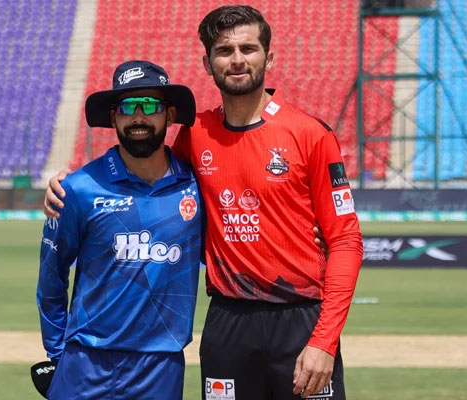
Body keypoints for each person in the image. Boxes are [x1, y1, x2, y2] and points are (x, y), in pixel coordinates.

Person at [44, 6, 363, 399]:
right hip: (227, 322)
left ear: (269, 57)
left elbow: (346, 242)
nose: (237, 59)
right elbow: (145, 171)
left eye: (248, 48)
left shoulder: (311, 134)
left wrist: (325, 341)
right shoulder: (196, 136)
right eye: (224, 50)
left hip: (301, 320)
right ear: (207, 63)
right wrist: (71, 184)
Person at [37, 60, 204, 400]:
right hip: (85, 364)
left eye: (150, 106)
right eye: (128, 107)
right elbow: (51, 277)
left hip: (160, 368)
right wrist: (57, 354)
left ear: (170, 115)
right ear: (114, 117)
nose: (139, 117)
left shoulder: (198, 189)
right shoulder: (79, 189)